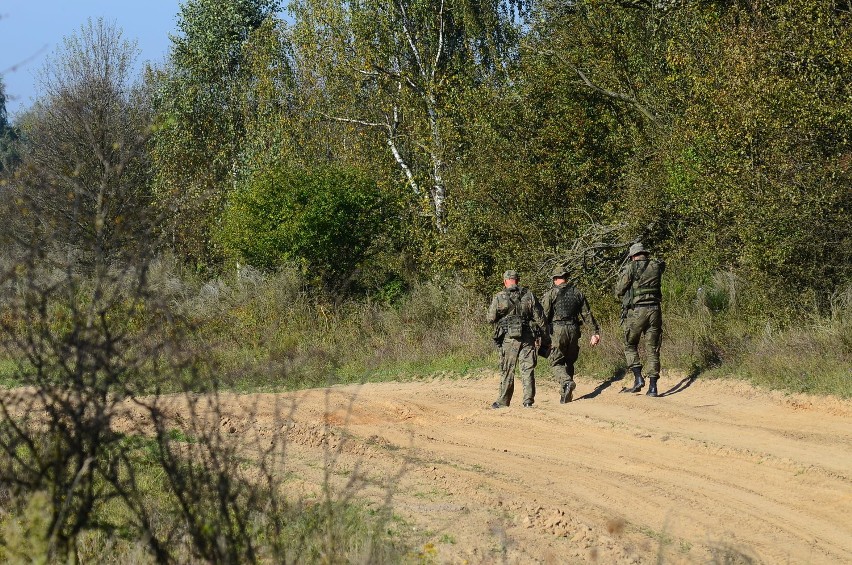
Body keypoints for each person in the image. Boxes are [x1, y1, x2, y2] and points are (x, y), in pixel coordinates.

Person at [540, 266, 601, 403]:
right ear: (566, 278)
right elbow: (587, 314)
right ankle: (565, 395)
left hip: (558, 330)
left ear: (555, 279)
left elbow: (544, 316)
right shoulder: (577, 293)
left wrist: (540, 335)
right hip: (574, 329)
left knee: (555, 362)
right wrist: (594, 333)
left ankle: (567, 382)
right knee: (569, 361)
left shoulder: (551, 294)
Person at [487, 269, 547, 408]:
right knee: (527, 369)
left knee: (507, 369)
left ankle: (503, 402)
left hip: (509, 339)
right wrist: (545, 338)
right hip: (527, 338)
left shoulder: (499, 297)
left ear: (505, 281)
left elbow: (490, 318)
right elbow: (540, 318)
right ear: (517, 280)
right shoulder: (529, 295)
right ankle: (528, 401)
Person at [614, 242, 665, 397]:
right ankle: (653, 387)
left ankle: (638, 378)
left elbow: (619, 290)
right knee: (652, 348)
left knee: (629, 344)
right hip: (655, 310)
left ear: (633, 256)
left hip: (637, 312)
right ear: (645, 253)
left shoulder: (631, 267)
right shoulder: (656, 266)